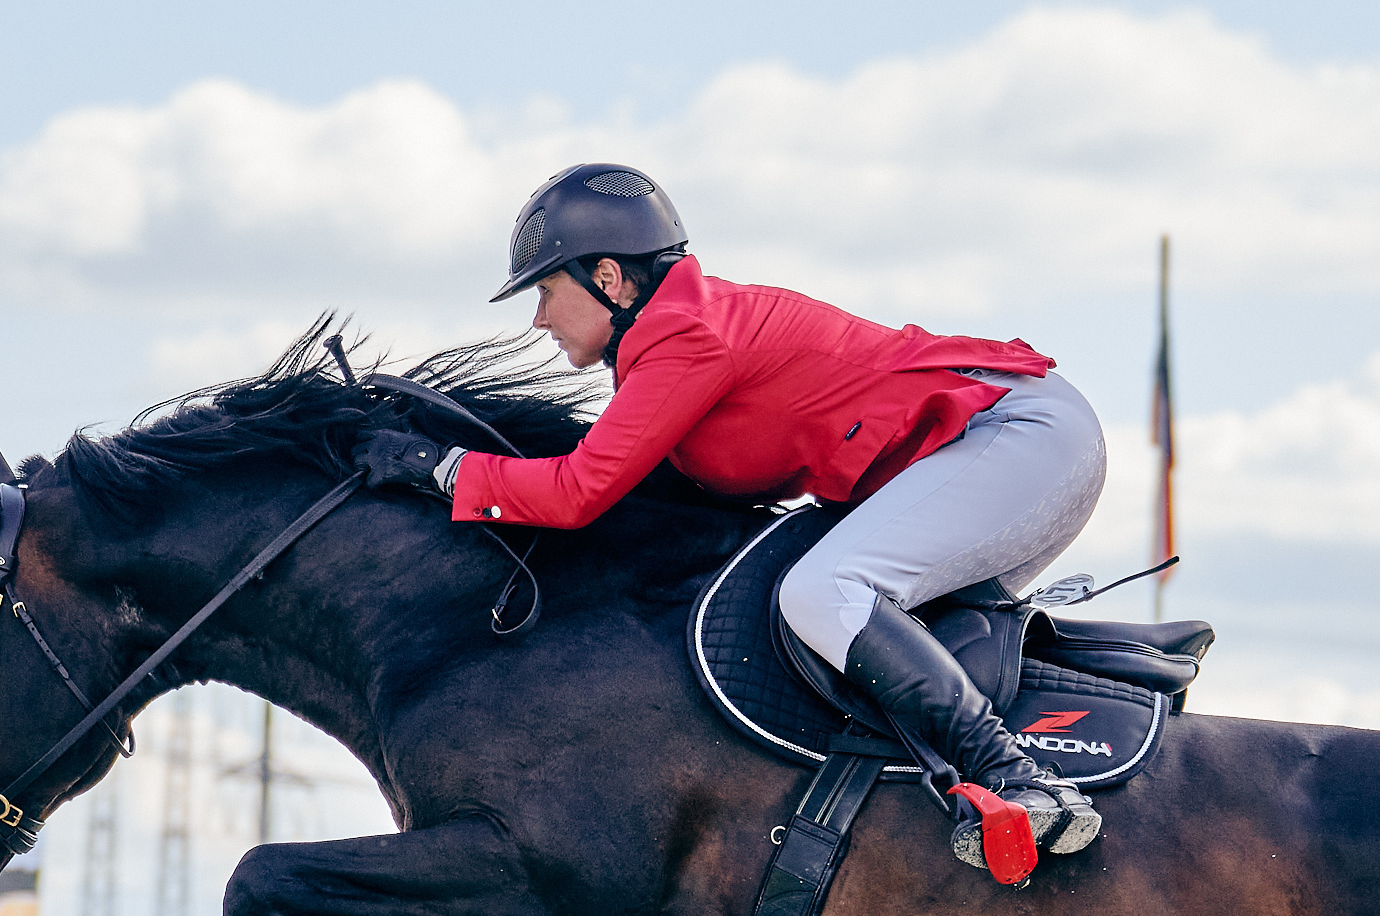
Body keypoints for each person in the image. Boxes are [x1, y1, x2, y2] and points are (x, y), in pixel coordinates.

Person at [351, 163, 1108, 875]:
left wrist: (436, 468)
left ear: (608, 278)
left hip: (1019, 434)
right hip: (1005, 446)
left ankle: (1019, 777)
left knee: (821, 592)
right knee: (836, 615)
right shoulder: (671, 343)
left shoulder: (686, 336)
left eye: (547, 291)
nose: (541, 319)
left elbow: (577, 489)